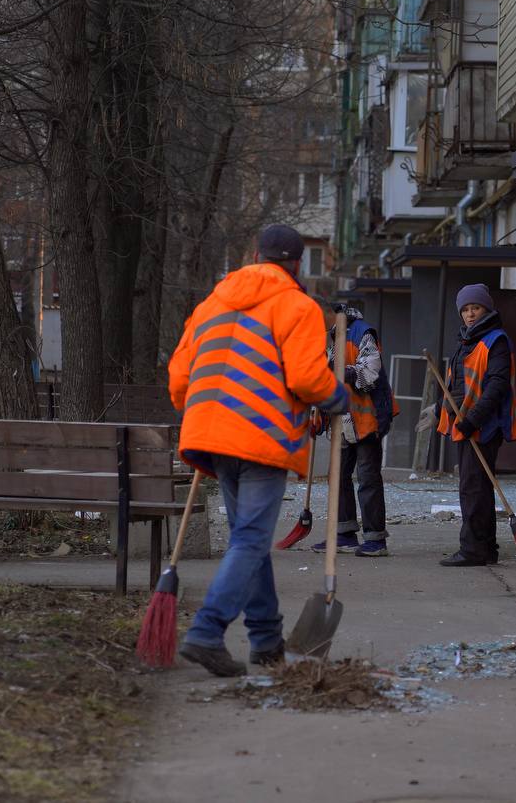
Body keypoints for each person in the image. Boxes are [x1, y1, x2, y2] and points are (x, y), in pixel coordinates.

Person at [168, 224, 350, 677]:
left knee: (248, 539)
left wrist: (205, 412)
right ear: (296, 263)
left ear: (255, 255)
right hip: (260, 438)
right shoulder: (297, 306)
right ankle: (207, 633)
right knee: (250, 538)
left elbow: (178, 378)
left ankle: (266, 638)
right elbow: (307, 378)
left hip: (210, 437)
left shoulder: (211, 304)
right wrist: (337, 398)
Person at [436, 283, 516, 567]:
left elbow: (497, 385)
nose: (470, 314)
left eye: (476, 308)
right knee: (477, 487)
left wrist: (473, 420)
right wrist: (441, 408)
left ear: (486, 309)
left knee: (473, 487)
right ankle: (485, 548)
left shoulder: (495, 340)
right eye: (466, 310)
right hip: (467, 424)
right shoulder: (466, 341)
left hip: (483, 425)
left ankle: (473, 550)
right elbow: (458, 385)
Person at [311, 302, 397, 557]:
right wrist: (315, 413)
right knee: (337, 477)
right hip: (340, 418)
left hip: (367, 417)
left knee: (368, 478)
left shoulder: (362, 332)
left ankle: (375, 539)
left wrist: (335, 370)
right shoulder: (323, 337)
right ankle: (345, 534)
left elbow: (369, 375)